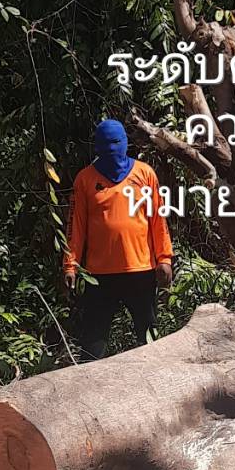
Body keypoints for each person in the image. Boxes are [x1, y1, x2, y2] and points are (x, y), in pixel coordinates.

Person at [63, 119, 173, 359]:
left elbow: (158, 220)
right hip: (99, 276)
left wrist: (164, 258)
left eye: (116, 142)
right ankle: (89, 389)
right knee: (92, 345)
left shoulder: (144, 174)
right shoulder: (85, 180)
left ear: (125, 143)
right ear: (97, 147)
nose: (111, 148)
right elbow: (76, 227)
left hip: (141, 271)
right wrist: (70, 265)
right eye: (105, 144)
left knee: (149, 341)